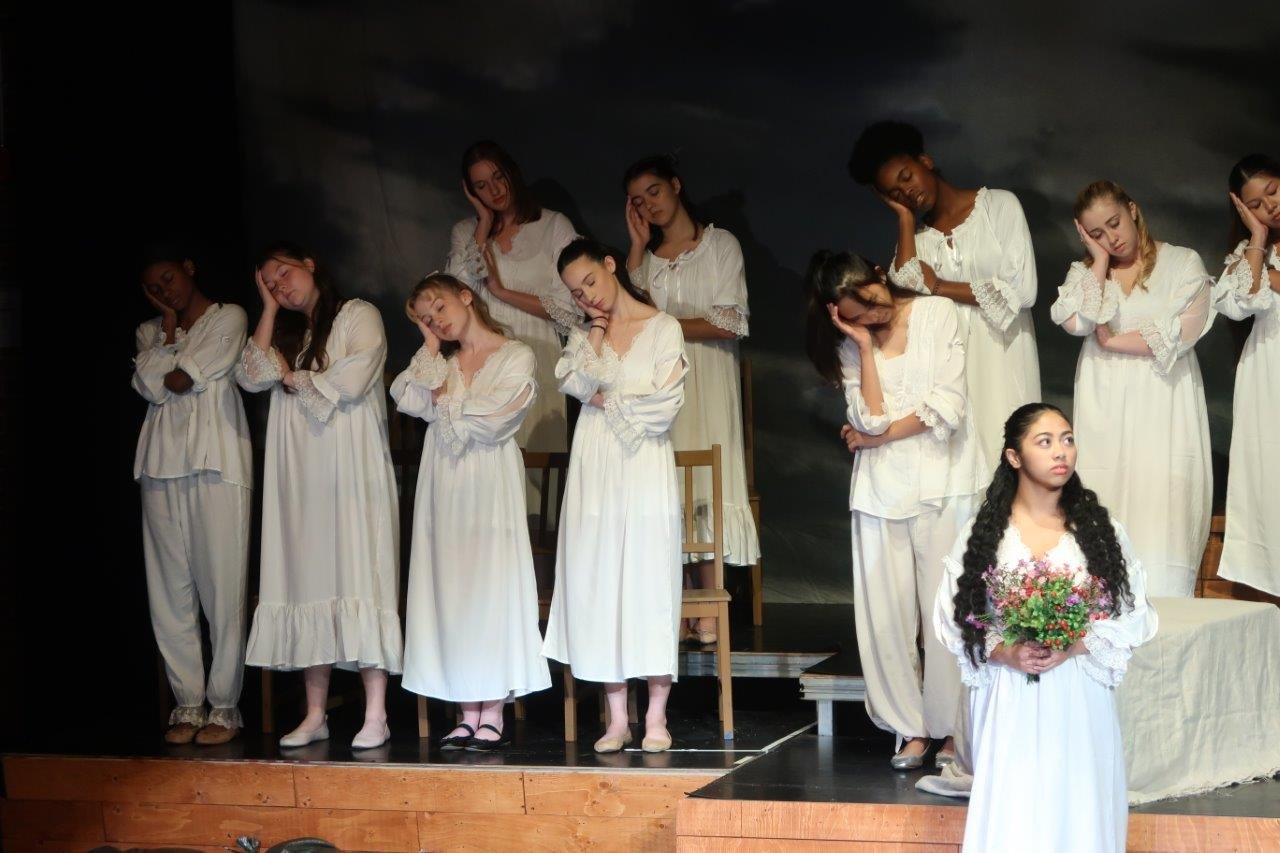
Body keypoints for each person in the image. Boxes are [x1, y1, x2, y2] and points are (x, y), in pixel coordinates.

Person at [934, 402, 1158, 852]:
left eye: (1068, 439)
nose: (1062, 452)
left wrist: (1076, 644)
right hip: (1009, 692)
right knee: (1014, 808)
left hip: (1078, 690)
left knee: (1079, 804)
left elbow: (1134, 613)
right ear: (1014, 457)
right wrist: (1004, 651)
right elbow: (951, 614)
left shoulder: (1099, 530)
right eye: (1046, 441)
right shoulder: (984, 533)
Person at [805, 250, 987, 769]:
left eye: (870, 301)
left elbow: (946, 406)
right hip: (881, 490)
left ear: (880, 277)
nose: (870, 315)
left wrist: (873, 436)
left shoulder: (935, 314)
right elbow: (868, 413)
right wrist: (863, 347)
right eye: (854, 314)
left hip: (944, 483)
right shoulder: (851, 347)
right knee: (886, 616)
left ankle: (952, 728)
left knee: (946, 614)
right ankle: (910, 726)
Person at [236, 242, 403, 750]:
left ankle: (376, 713)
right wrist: (266, 311)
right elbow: (249, 375)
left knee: (361, 572)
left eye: (284, 274)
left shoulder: (356, 314)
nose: (281, 286)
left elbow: (353, 378)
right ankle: (315, 714)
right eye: (269, 283)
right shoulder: (288, 332)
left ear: (310, 264)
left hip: (349, 466)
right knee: (311, 576)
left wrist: (295, 377)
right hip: (302, 471)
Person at [391, 272, 551, 750]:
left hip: (486, 480)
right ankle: (465, 708)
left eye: (438, 308)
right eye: (424, 319)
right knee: (453, 587)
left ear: (465, 296)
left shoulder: (513, 354)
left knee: (489, 585)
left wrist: (446, 401)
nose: (435, 321)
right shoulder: (440, 364)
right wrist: (431, 355)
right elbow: (406, 396)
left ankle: (492, 707)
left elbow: (494, 418)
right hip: (444, 482)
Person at [541, 239, 688, 754]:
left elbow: (663, 407)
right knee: (600, 576)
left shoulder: (663, 327)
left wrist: (606, 398)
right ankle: (617, 718)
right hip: (597, 463)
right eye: (576, 294)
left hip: (644, 463)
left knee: (647, 578)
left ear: (610, 266)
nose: (587, 298)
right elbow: (576, 383)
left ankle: (656, 717)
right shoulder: (586, 338)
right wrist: (597, 340)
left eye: (590, 282)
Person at [1049, 180, 1214, 597]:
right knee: (1108, 501)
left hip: (1164, 401)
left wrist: (1115, 340)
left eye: (1114, 223)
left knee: (1164, 506)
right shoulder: (1084, 275)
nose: (1112, 237)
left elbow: (1186, 330)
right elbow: (1075, 322)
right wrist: (1099, 263)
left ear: (1133, 210)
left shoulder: (1181, 262)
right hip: (1106, 405)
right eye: (1097, 233)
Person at [623, 155, 760, 643]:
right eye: (638, 200)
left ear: (676, 186)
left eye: (654, 192)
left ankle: (708, 607)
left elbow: (729, 320)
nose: (649, 205)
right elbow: (628, 321)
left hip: (708, 375)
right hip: (663, 384)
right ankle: (676, 604)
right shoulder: (645, 262)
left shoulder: (719, 244)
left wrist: (663, 326)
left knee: (706, 482)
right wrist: (637, 248)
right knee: (668, 482)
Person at [849, 120, 1041, 466]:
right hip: (951, 372)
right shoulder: (918, 242)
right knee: (963, 472)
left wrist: (939, 286)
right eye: (894, 194)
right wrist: (905, 219)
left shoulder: (998, 206)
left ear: (926, 161)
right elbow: (905, 283)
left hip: (1003, 358)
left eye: (906, 178)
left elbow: (1022, 290)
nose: (906, 193)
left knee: (1012, 461)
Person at [132, 246, 252, 745]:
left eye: (168, 279)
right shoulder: (148, 331)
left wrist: (170, 363)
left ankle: (223, 706)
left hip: (217, 462)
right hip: (161, 465)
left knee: (221, 585)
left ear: (189, 267)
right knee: (169, 589)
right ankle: (188, 702)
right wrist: (165, 328)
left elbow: (180, 380)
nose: (165, 292)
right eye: (155, 289)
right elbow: (148, 386)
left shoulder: (230, 316)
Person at [446, 140, 579, 459]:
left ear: (511, 173)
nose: (493, 190)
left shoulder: (552, 225)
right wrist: (483, 225)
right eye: (481, 185)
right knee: (487, 455)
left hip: (538, 349)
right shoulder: (466, 233)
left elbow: (570, 312)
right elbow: (455, 295)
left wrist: (503, 292)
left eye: (497, 177)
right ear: (471, 192)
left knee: (535, 460)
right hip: (483, 357)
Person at [1214, 154, 1280, 597]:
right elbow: (1235, 304)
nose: (1269, 207)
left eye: (1273, 191)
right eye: (1255, 205)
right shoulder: (1250, 253)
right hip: (1267, 375)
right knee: (1269, 481)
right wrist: (1257, 240)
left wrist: (1270, 277)